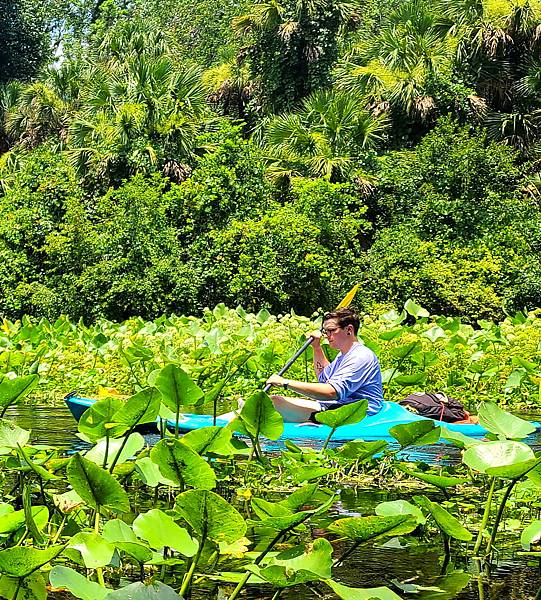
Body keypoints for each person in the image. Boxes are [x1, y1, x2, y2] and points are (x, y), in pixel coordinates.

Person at [265, 307, 384, 423]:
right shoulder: (343, 355)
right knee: (272, 401)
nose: (326, 335)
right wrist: (316, 347)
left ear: (349, 330)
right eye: (325, 331)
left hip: (355, 413)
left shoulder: (360, 356)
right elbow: (323, 378)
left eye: (331, 330)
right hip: (338, 406)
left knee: (275, 404)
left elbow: (331, 393)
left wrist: (285, 383)